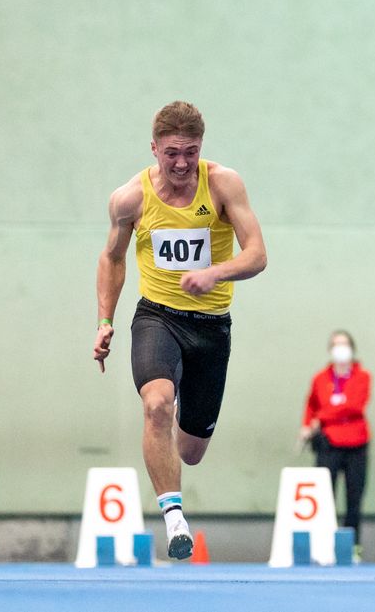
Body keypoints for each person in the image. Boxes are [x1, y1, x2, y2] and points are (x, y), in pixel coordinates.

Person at [93, 101, 268, 561]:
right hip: (159, 317)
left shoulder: (224, 185)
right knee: (156, 406)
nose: (181, 164)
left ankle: (174, 463)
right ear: (153, 148)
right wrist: (105, 320)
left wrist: (215, 273)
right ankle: (174, 519)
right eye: (171, 153)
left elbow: (257, 254)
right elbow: (111, 258)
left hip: (211, 327)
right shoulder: (129, 199)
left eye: (190, 152)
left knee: (191, 451)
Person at [299, 330, 372, 559]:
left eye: (345, 344)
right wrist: (307, 424)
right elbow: (310, 405)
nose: (340, 349)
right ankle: (323, 545)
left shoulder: (363, 377)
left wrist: (322, 418)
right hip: (329, 444)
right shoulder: (320, 378)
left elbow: (354, 406)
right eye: (336, 345)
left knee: (354, 498)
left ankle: (353, 548)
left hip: (356, 444)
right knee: (324, 497)